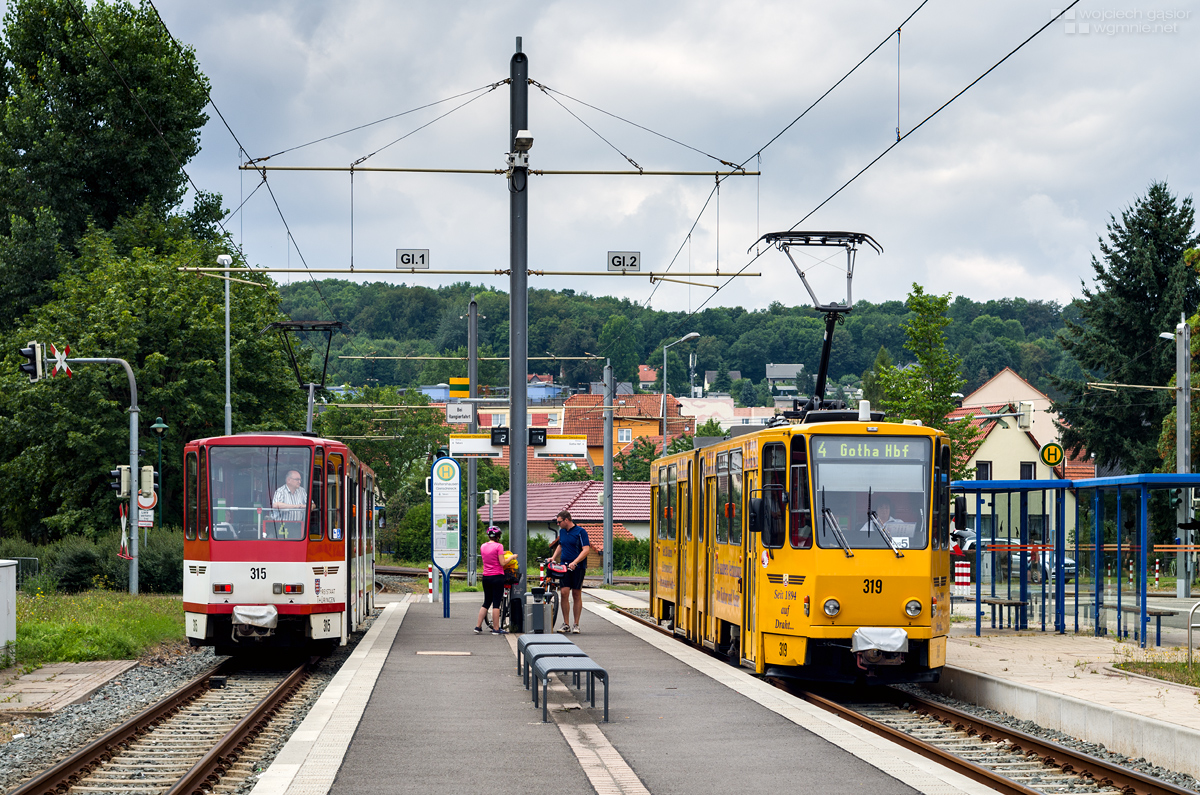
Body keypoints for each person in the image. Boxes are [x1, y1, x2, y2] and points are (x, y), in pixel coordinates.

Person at [551, 510, 590, 634]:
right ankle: (566, 623)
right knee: (564, 592)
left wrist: (575, 562)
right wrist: (553, 557)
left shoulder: (580, 532)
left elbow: (586, 550)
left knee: (576, 594)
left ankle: (576, 624)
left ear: (566, 520)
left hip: (578, 567)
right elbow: (560, 545)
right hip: (564, 566)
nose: (558, 524)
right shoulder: (562, 532)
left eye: (559, 522)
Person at [476, 527, 507, 635]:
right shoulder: (499, 546)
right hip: (497, 577)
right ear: (498, 536)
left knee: (486, 601)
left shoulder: (483, 546)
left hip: (486, 577)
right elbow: (502, 563)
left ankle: (478, 626)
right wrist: (512, 557)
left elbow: (490, 556)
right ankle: (496, 628)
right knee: (496, 603)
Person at [271, 470, 307, 537]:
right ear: (288, 480)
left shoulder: (302, 491)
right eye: (297, 479)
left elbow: (312, 504)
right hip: (282, 527)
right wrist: (296, 506)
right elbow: (275, 505)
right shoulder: (280, 491)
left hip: (298, 526)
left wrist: (309, 506)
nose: (299, 482)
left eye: (300, 480)